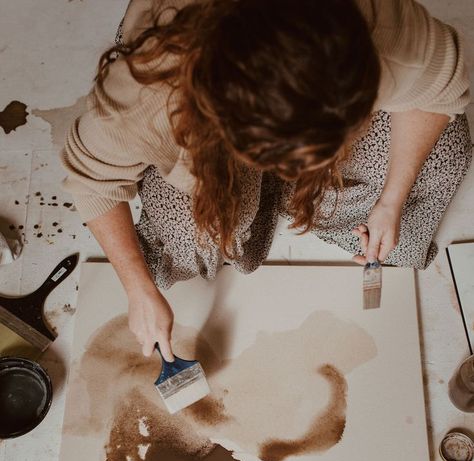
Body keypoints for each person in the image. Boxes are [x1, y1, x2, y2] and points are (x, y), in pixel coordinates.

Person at [62, 0, 471, 360]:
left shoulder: (379, 26)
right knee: (203, 229)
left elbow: (438, 91)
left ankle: (345, 204)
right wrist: (138, 290)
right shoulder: (146, 94)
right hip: (188, 99)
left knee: (444, 156)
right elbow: (91, 181)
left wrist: (391, 200)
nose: (295, 172)